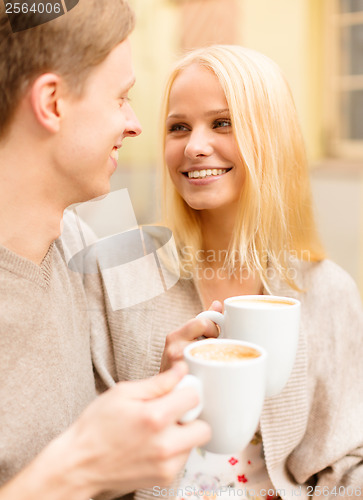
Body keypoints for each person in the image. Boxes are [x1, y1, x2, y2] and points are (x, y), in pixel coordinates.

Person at [104, 45, 363, 499]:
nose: (195, 146)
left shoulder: (329, 290)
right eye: (178, 127)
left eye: (222, 123)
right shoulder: (120, 277)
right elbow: (87, 456)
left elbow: (347, 464)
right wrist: (160, 392)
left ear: (273, 139)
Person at [0, 2, 218, 498]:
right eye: (121, 98)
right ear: (52, 102)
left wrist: (159, 390)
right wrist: (78, 469)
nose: (136, 124)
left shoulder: (76, 238)